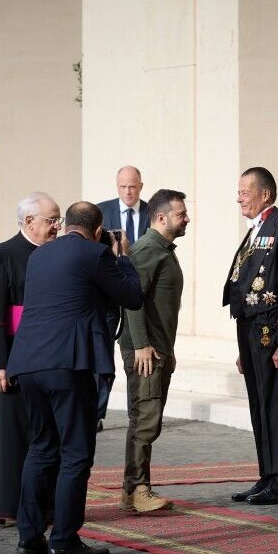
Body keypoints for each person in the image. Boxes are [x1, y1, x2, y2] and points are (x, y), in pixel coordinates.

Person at [6, 201, 142, 554]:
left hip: (28, 362)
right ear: (98, 230)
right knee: (76, 453)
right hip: (68, 365)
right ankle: (64, 539)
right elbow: (132, 295)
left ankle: (29, 537)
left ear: (66, 224)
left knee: (41, 447)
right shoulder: (96, 254)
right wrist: (122, 256)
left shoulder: (40, 256)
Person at [0, 192, 62, 525]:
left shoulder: (54, 254)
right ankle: (3, 505)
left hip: (44, 360)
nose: (57, 226)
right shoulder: (0, 256)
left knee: (41, 439)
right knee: (8, 441)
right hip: (9, 362)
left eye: (59, 220)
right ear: (29, 221)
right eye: (51, 220)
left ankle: (42, 505)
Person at [223, 167, 278, 505]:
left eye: (245, 190)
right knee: (258, 404)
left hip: (271, 331)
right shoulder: (255, 229)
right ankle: (266, 475)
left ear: (265, 194)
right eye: (238, 190)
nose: (239, 196)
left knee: (272, 404)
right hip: (250, 329)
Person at [118, 189, 189, 514]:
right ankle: (137, 489)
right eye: (180, 214)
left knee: (148, 419)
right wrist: (143, 345)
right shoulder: (148, 249)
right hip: (145, 351)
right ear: (161, 218)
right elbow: (133, 299)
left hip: (159, 349)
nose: (187, 218)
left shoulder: (162, 249)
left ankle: (133, 488)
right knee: (145, 419)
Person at [95, 165, 151, 431]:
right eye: (123, 187)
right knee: (101, 357)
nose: (128, 191)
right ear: (117, 186)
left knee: (136, 354)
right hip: (107, 295)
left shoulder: (154, 213)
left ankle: (137, 412)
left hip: (138, 295)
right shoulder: (100, 212)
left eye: (133, 186)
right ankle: (96, 413)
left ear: (141, 185)